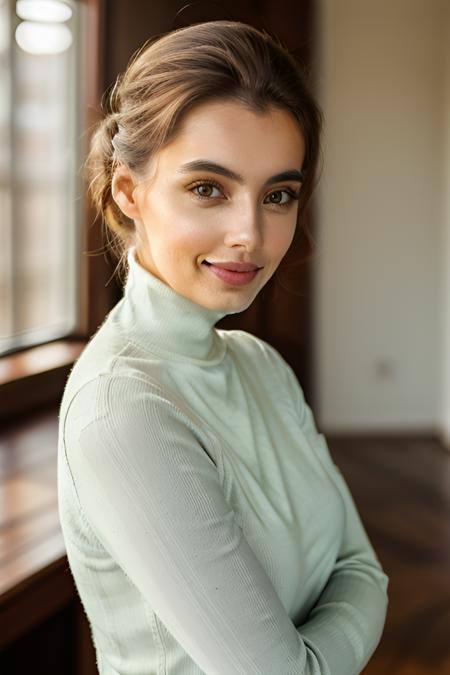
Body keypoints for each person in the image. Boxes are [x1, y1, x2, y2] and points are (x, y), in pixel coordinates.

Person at [57, 20, 389, 675]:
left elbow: (366, 570)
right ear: (130, 191)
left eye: (279, 194)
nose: (251, 233)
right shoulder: (123, 409)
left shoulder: (261, 367)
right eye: (208, 187)